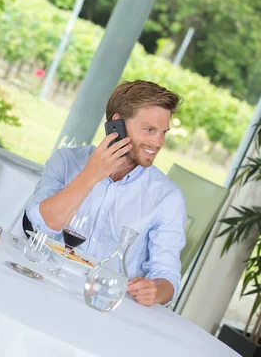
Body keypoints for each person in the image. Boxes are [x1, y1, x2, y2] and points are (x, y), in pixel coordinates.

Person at [23, 80, 186, 307]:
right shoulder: (66, 161)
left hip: (105, 304)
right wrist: (91, 174)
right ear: (117, 124)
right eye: (149, 130)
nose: (158, 142)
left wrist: (156, 291)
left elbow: (167, 275)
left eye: (163, 133)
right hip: (45, 284)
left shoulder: (168, 197)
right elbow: (40, 226)